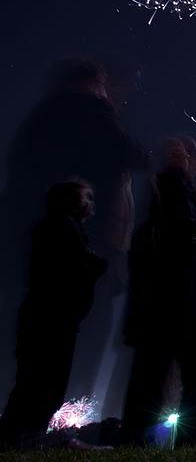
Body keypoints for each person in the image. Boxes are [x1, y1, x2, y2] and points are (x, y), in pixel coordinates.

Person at [0, 58, 149, 408]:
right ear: (94, 83)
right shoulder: (90, 112)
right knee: (73, 334)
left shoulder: (39, 118)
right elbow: (134, 155)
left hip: (35, 240)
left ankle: (27, 416)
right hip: (84, 241)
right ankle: (58, 416)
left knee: (35, 333)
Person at [121, 139, 196, 447]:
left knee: (174, 383)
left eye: (187, 152)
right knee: (156, 381)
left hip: (180, 301)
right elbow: (178, 233)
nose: (182, 156)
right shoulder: (168, 191)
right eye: (175, 151)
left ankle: (142, 442)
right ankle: (141, 442)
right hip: (169, 302)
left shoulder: (187, 197)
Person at [0, 181, 107, 449]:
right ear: (71, 201)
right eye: (87, 198)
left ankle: (22, 437)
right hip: (51, 321)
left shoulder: (59, 229)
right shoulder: (62, 230)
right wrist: (92, 265)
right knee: (42, 382)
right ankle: (21, 438)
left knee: (39, 382)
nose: (91, 205)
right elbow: (66, 273)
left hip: (52, 319)